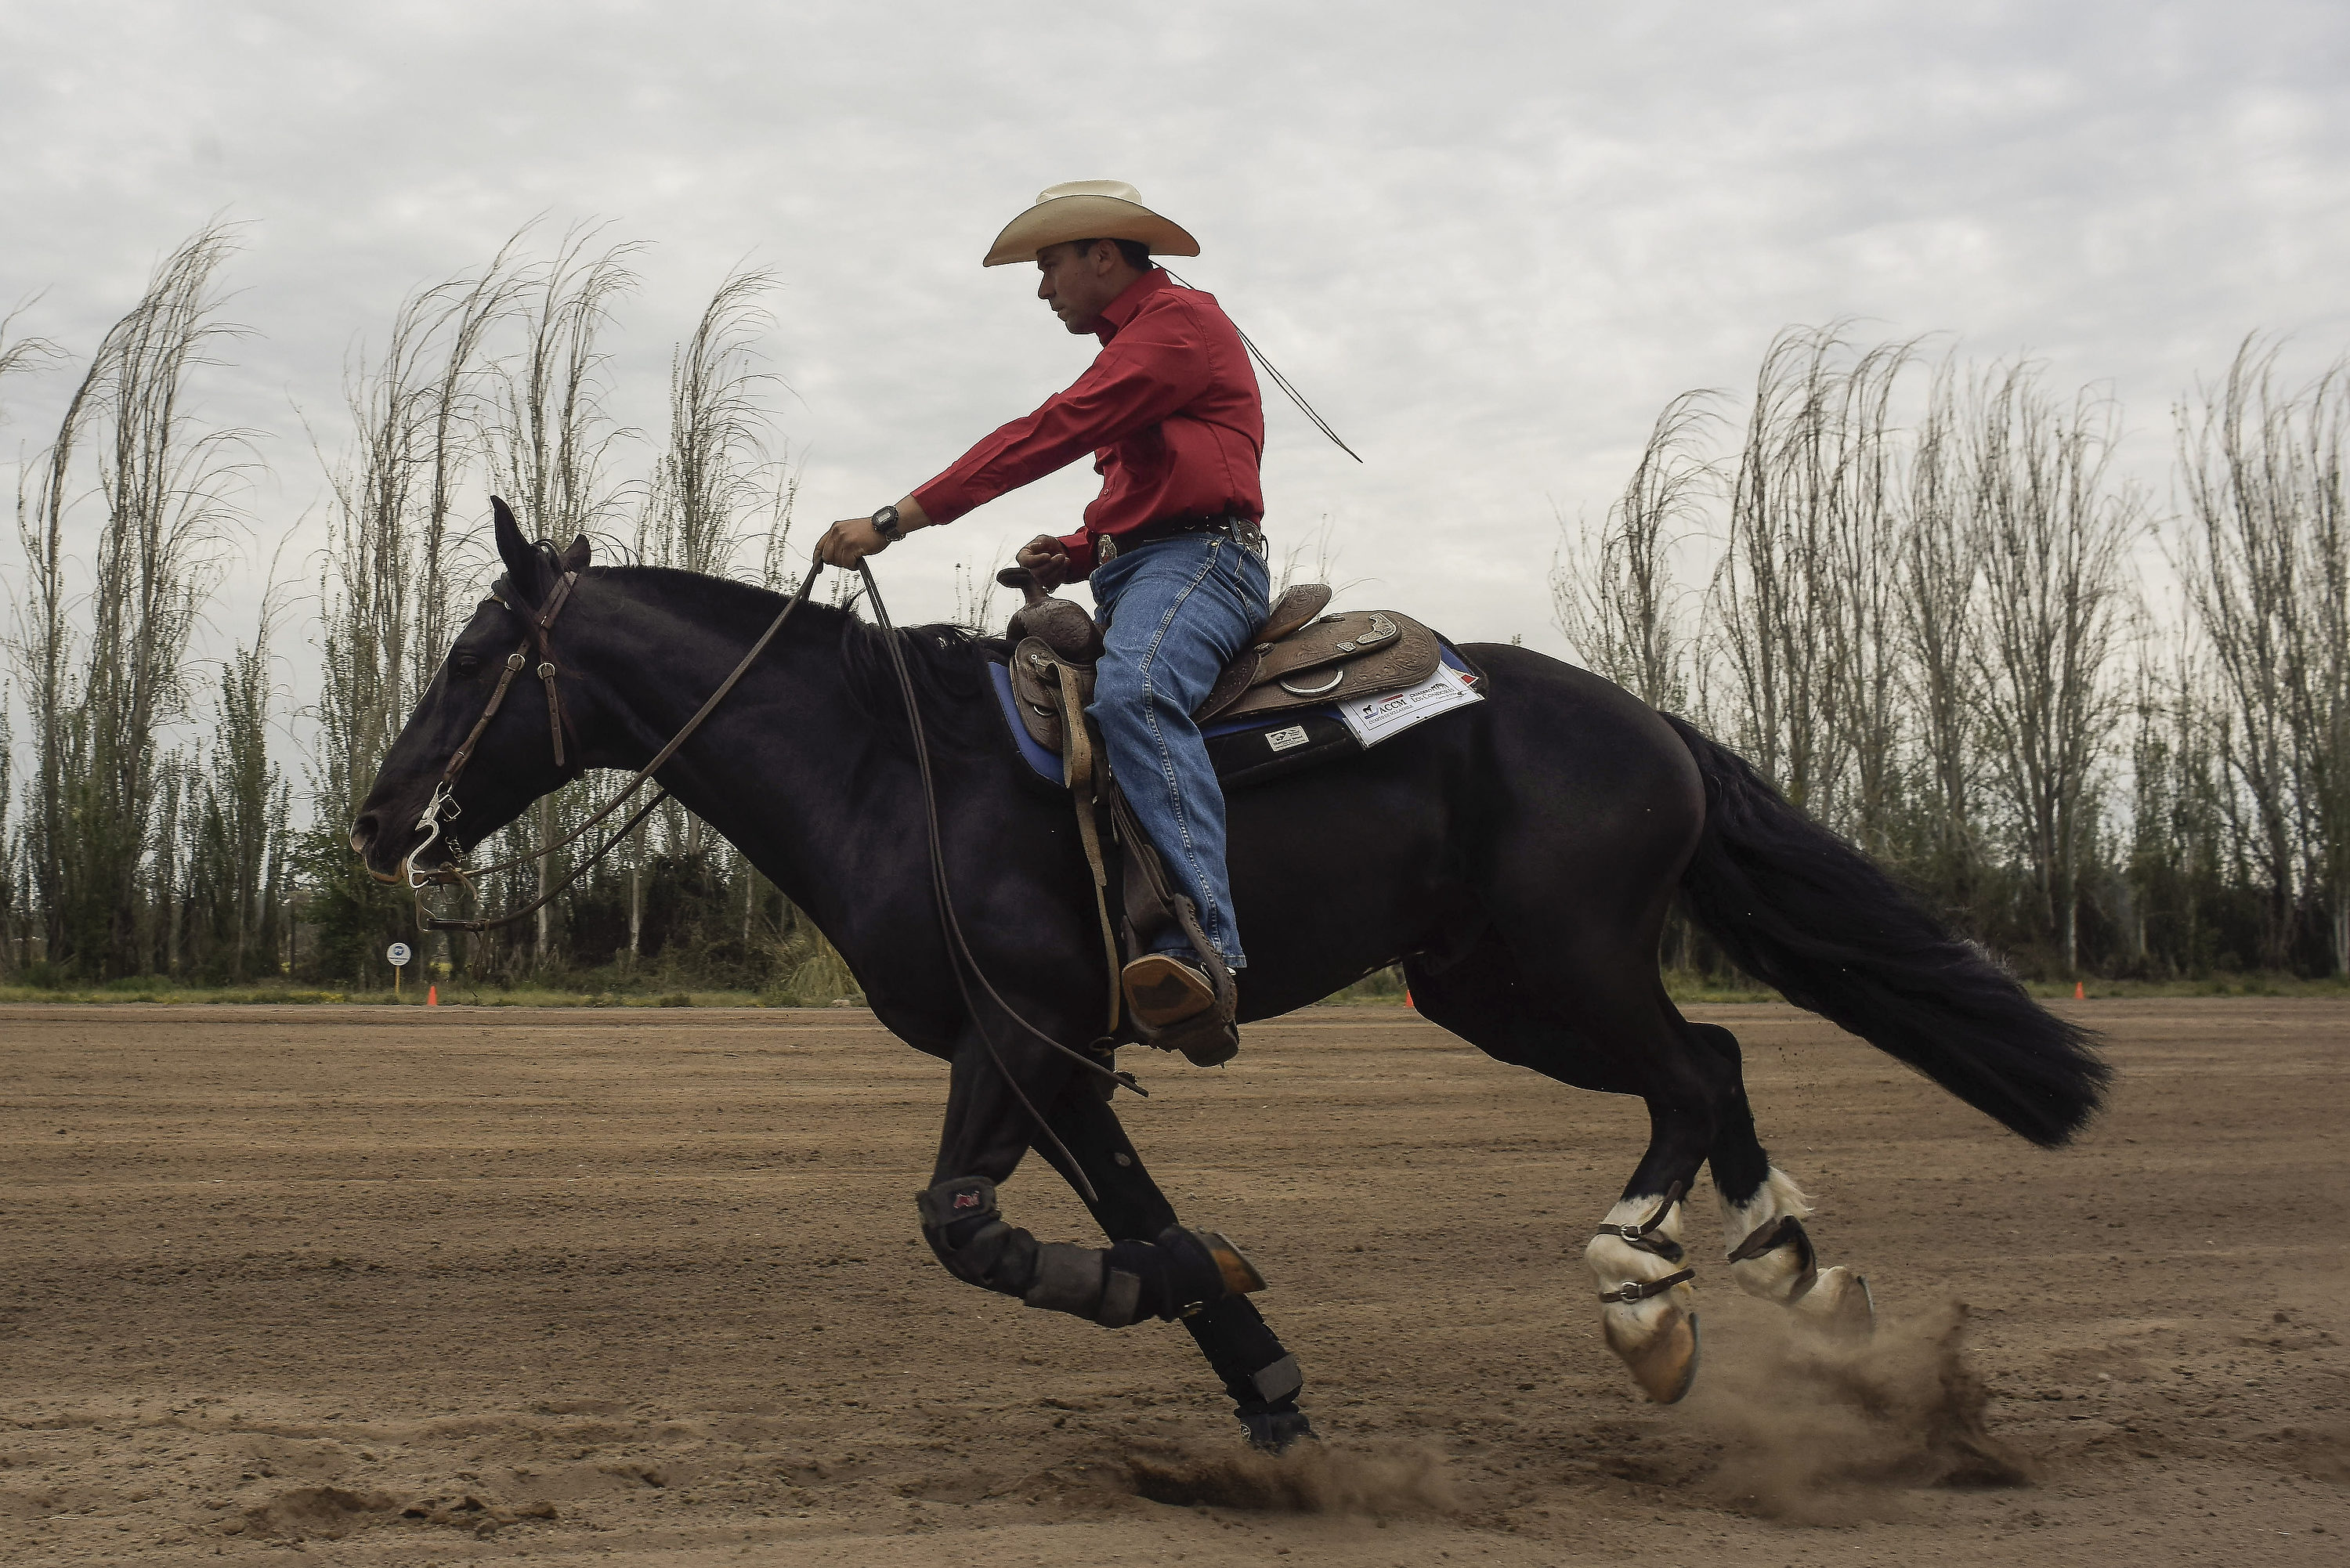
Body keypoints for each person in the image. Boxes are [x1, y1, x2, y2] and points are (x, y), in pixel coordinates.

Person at [815, 180, 1268, 1048]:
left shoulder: (1176, 324)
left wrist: (895, 519)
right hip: (1143, 566)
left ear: (1103, 253)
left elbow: (1051, 431)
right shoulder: (1141, 344)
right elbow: (1153, 486)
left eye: (1050, 264)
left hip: (1205, 563)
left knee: (1135, 693)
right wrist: (1079, 547)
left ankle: (1204, 946)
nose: (1041, 287)